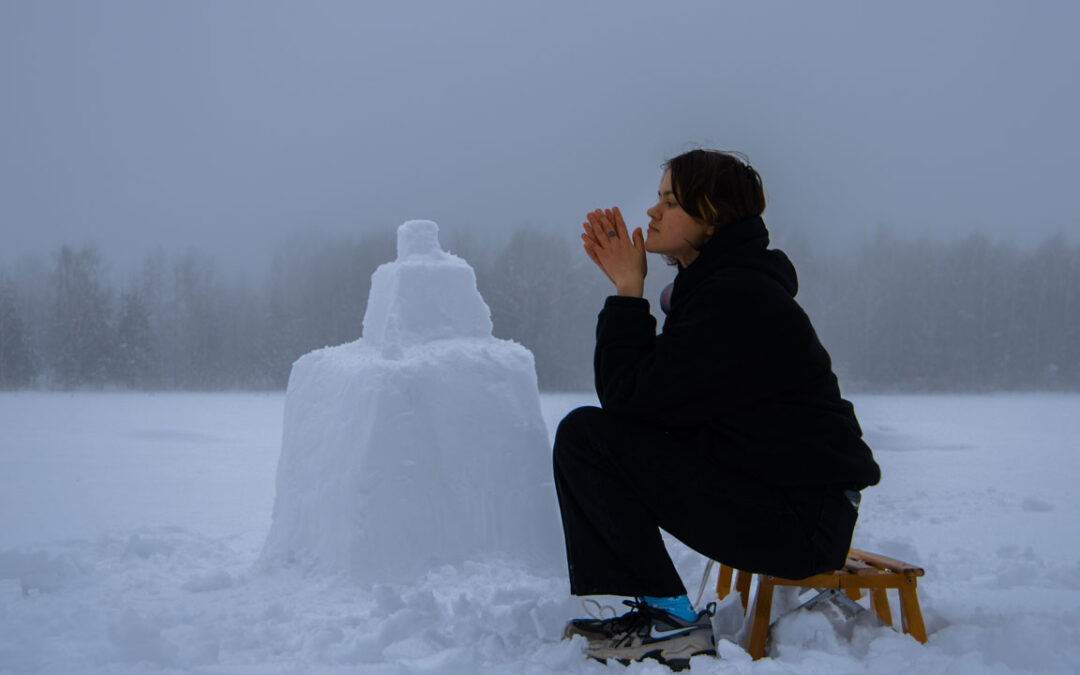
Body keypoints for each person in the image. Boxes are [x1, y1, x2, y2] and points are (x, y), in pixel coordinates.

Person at [553, 149, 880, 668]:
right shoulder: (718, 290)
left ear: (714, 218)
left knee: (588, 438)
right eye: (658, 199)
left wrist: (627, 292)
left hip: (801, 524)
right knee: (594, 437)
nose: (653, 213)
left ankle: (669, 623)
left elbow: (630, 399)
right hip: (791, 506)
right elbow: (648, 405)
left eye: (672, 201)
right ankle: (662, 614)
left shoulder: (736, 299)